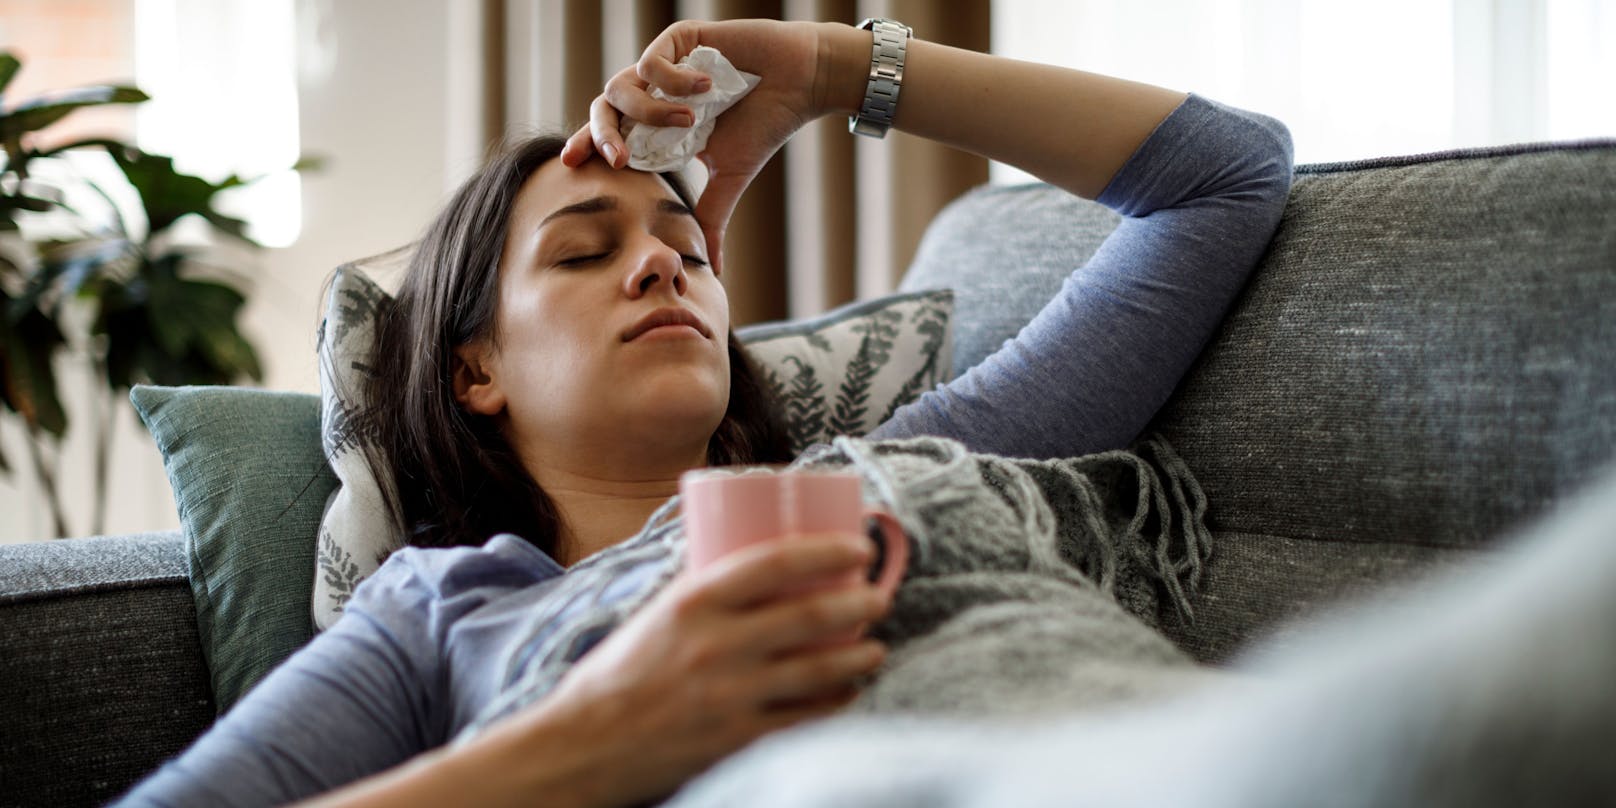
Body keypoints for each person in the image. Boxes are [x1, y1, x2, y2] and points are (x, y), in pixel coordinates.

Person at [117, 17, 1292, 807]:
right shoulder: (440, 613)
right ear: (477, 369)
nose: (660, 269)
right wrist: (591, 737)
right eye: (584, 253)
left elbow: (1224, 179)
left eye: (686, 248)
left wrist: (829, 71)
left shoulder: (878, 469)